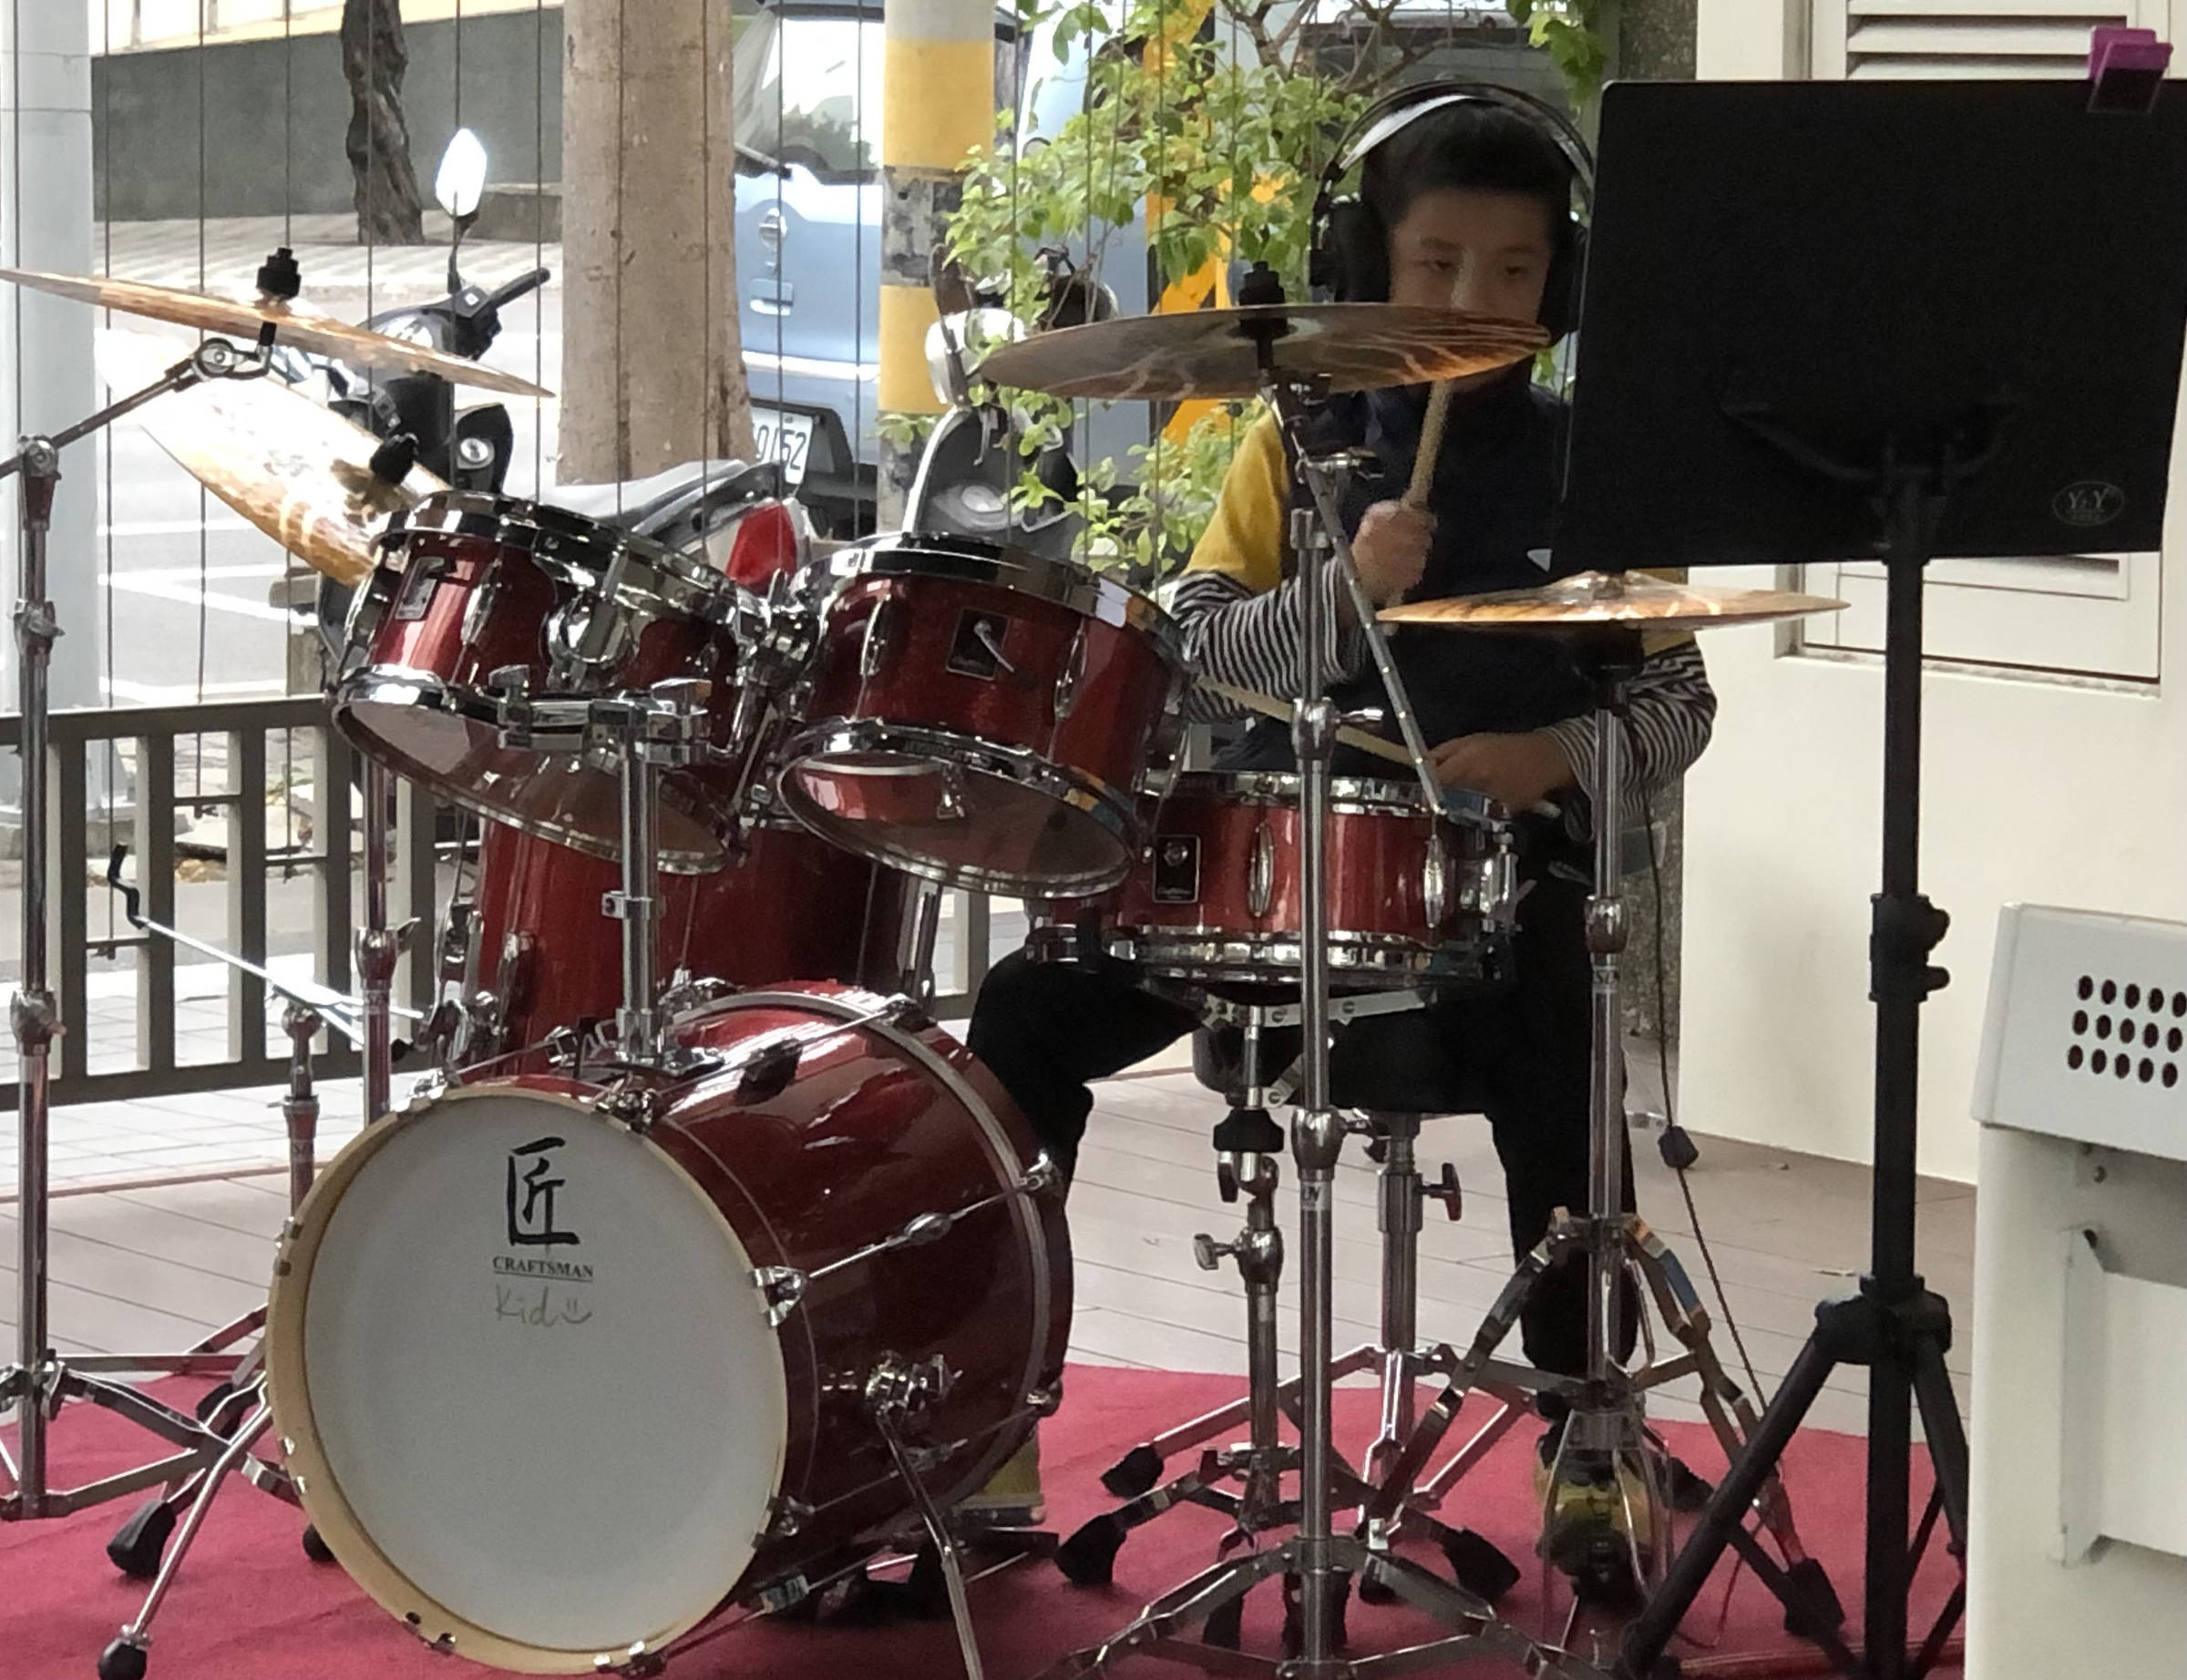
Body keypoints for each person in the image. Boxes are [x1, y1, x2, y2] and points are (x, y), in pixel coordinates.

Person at [967, 95, 1718, 1577]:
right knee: (1021, 1014)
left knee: (1566, 1026)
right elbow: (1196, 654)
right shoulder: (1292, 451)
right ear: (1368, 266)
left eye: (1514, 271)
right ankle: (983, 1407)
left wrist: (1550, 755)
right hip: (1263, 882)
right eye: (1434, 264)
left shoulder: (1600, 470)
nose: (1472, 301)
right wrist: (1344, 595)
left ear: (1562, 286)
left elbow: (1680, 702)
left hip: (1488, 895)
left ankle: (1587, 1428)